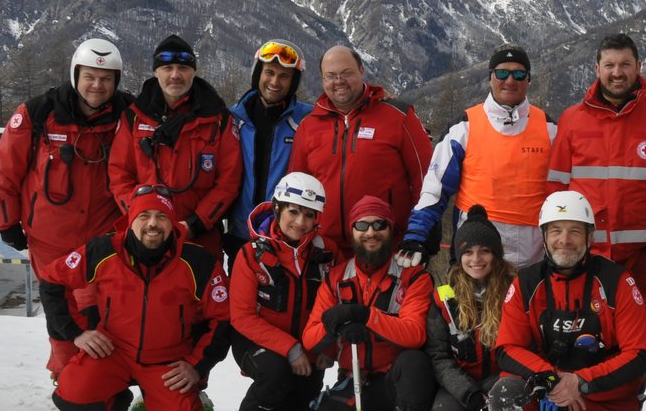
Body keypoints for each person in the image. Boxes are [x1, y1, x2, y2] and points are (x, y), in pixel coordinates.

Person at [485, 190, 646, 411]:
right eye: (556, 231)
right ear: (544, 236)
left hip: (603, 396)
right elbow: (507, 347)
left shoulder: (617, 281)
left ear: (590, 236)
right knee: (504, 396)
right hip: (548, 390)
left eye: (575, 230)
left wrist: (581, 382)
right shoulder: (526, 283)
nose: (565, 240)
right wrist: (549, 379)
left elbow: (640, 354)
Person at [39, 187, 231, 411]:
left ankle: (170, 408)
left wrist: (196, 366)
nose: (153, 224)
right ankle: (114, 403)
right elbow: (52, 279)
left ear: (173, 222)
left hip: (167, 362)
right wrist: (75, 333)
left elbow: (223, 319)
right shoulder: (103, 249)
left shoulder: (197, 261)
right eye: (144, 216)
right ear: (131, 220)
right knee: (72, 399)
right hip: (113, 351)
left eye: (161, 217)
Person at [0, 37, 133, 377]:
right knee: (60, 309)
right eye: (90, 77)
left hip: (103, 238)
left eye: (106, 79)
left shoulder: (127, 116)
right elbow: (6, 172)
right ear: (75, 75)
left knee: (99, 310)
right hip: (49, 238)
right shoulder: (38, 114)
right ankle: (67, 375)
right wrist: (7, 223)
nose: (97, 85)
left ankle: (101, 387)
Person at [300, 195, 435, 411]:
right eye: (362, 224)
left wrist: (366, 317)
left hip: (397, 382)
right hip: (356, 379)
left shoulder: (413, 276)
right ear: (352, 231)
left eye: (379, 224)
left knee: (415, 362)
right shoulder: (336, 278)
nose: (371, 232)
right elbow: (310, 338)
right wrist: (337, 327)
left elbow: (414, 334)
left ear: (391, 230)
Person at [547, 33, 646, 297]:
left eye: (625, 64)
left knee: (642, 336)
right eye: (609, 65)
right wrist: (558, 246)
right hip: (585, 258)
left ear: (638, 66)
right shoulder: (571, 120)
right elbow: (557, 190)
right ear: (597, 69)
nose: (617, 72)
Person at [400, 44, 557, 270]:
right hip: (475, 254)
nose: (510, 80)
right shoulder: (464, 127)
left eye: (519, 74)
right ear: (490, 78)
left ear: (528, 80)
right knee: (469, 306)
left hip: (532, 257)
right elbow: (435, 189)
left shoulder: (550, 129)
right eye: (502, 73)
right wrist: (417, 235)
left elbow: (565, 193)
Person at [223, 171, 332, 411]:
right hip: (255, 341)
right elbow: (242, 317)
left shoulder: (323, 258)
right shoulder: (251, 255)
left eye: (309, 215)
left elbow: (331, 308)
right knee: (276, 373)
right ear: (278, 208)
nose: (300, 222)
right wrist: (290, 348)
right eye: (293, 211)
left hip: (306, 347)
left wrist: (326, 347)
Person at [289, 45, 432, 261]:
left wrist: (420, 234)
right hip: (326, 251)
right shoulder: (309, 126)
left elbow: (426, 178)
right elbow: (297, 188)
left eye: (346, 73)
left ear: (361, 71)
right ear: (322, 79)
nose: (339, 81)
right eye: (331, 76)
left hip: (387, 246)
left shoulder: (397, 115)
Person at [108, 35, 243, 257]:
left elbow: (229, 181)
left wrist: (195, 224)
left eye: (183, 68)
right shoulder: (134, 117)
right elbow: (118, 174)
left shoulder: (218, 119)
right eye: (167, 67)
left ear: (193, 71)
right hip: (144, 238)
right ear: (155, 72)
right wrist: (139, 217)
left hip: (199, 239)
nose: (175, 75)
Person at [426, 205, 520, 411]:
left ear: (496, 255)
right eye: (467, 251)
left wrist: (493, 387)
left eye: (484, 251)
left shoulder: (515, 291)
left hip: (500, 385)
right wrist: (466, 391)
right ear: (458, 256)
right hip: (461, 386)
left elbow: (522, 349)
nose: (476, 259)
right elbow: (438, 356)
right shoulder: (444, 296)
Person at [225, 39, 314, 263]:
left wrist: (377, 99)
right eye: (269, 72)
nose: (275, 82)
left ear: (293, 83)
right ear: (258, 74)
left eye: (284, 76)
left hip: (287, 237)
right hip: (240, 234)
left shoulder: (307, 119)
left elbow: (345, 108)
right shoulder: (232, 118)